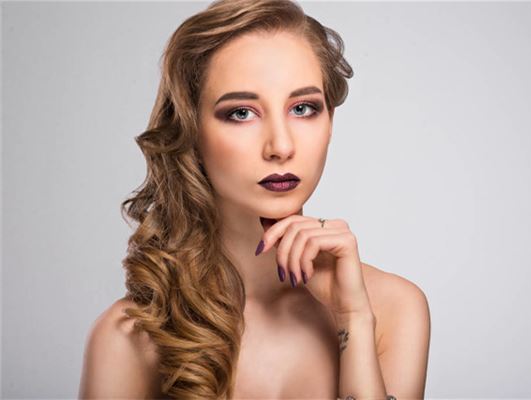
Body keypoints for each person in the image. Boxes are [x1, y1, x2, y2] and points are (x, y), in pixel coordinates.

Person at [78, 0, 430, 398]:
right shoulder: (129, 336)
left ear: (330, 122)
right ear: (191, 131)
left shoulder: (392, 307)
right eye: (242, 113)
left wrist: (353, 318)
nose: (281, 146)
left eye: (303, 108)